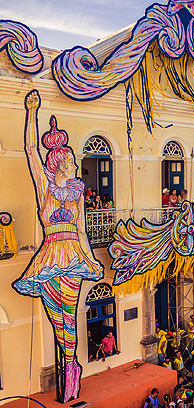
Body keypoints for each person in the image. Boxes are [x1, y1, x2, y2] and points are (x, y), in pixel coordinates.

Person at [12, 90, 104, 403]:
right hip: (50, 255)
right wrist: (31, 112)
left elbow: (82, 229)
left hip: (72, 254)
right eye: (69, 159)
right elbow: (29, 149)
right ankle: (70, 363)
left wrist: (90, 260)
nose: (73, 162)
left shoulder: (77, 194)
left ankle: (69, 367)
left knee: (70, 315)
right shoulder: (45, 188)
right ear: (58, 163)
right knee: (56, 318)